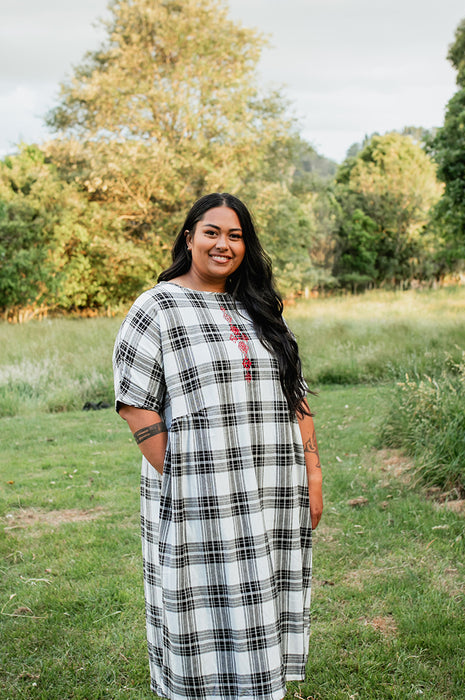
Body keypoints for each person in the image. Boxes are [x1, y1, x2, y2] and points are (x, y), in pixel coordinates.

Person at [113, 192, 323, 700]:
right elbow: (135, 402)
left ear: (246, 245)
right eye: (212, 232)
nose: (223, 244)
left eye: (235, 235)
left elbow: (294, 393)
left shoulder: (262, 308)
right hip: (196, 492)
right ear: (189, 238)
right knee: (200, 601)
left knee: (260, 590)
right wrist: (184, 477)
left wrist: (312, 475)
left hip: (271, 483)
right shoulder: (157, 306)